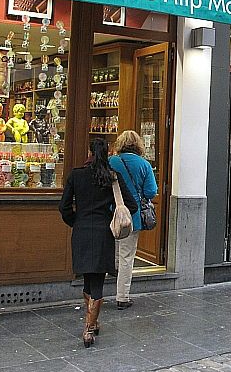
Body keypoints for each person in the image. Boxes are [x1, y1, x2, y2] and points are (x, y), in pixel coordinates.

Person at [59, 138, 137, 347]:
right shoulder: (112, 177)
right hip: (103, 232)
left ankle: (91, 323)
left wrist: (75, 220)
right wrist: (111, 214)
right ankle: (90, 326)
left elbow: (64, 207)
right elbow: (131, 205)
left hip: (82, 231)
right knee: (98, 281)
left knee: (87, 278)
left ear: (89, 152)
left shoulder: (76, 175)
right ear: (107, 152)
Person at [109, 130, 158, 310]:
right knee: (127, 256)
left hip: (112, 212)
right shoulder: (144, 165)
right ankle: (122, 296)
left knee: (114, 247)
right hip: (132, 215)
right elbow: (151, 192)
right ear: (138, 145)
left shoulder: (111, 162)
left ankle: (113, 271)